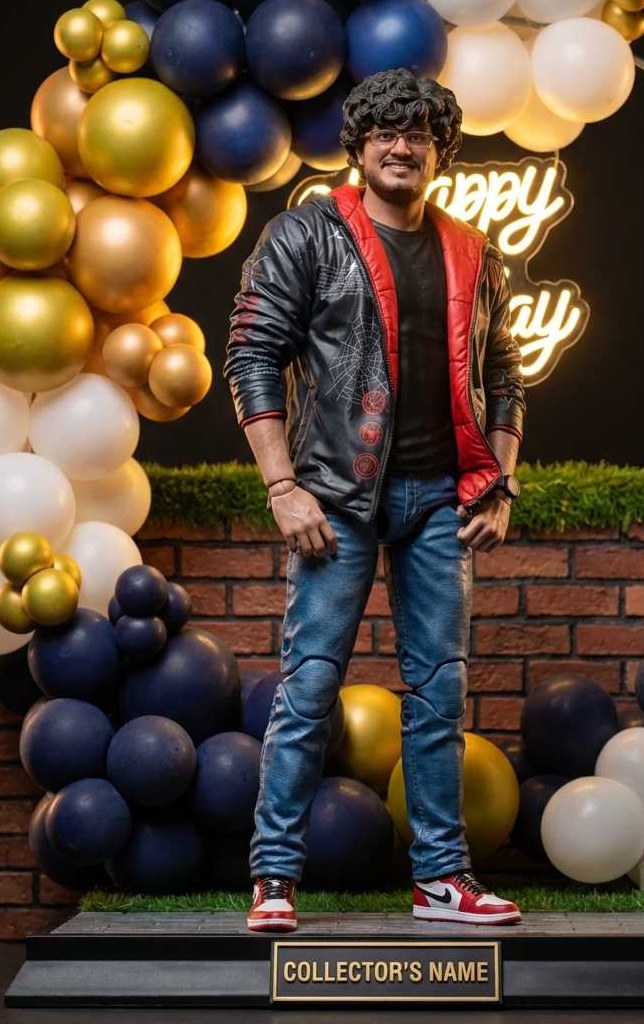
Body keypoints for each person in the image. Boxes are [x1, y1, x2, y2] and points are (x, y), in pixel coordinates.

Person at [225, 68, 526, 932]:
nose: (403, 146)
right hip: (334, 499)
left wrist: (500, 480)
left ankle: (441, 881)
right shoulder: (307, 233)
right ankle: (274, 878)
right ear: (359, 147)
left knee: (439, 695)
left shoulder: (473, 250)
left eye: (419, 133)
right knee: (310, 688)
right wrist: (282, 486)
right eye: (386, 132)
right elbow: (251, 355)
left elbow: (505, 376)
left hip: (442, 501)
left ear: (439, 151)